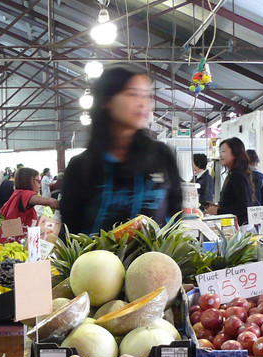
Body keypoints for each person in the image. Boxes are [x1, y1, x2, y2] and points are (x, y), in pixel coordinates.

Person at [59, 65, 183, 234]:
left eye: (147, 96)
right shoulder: (81, 166)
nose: (143, 104)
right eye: (133, 94)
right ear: (107, 100)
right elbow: (69, 230)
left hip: (155, 252)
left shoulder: (162, 156)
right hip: (94, 252)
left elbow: (176, 216)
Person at [0, 167, 59, 232]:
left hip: (13, 232)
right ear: (28, 181)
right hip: (20, 235)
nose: (40, 184)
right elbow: (49, 202)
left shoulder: (18, 193)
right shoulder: (25, 194)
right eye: (38, 181)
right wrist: (64, 205)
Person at [215, 136, 255, 226]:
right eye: (220, 152)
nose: (220, 156)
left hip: (240, 226)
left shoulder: (237, 175)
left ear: (235, 153)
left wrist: (218, 211)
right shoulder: (233, 173)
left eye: (223, 151)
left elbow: (243, 206)